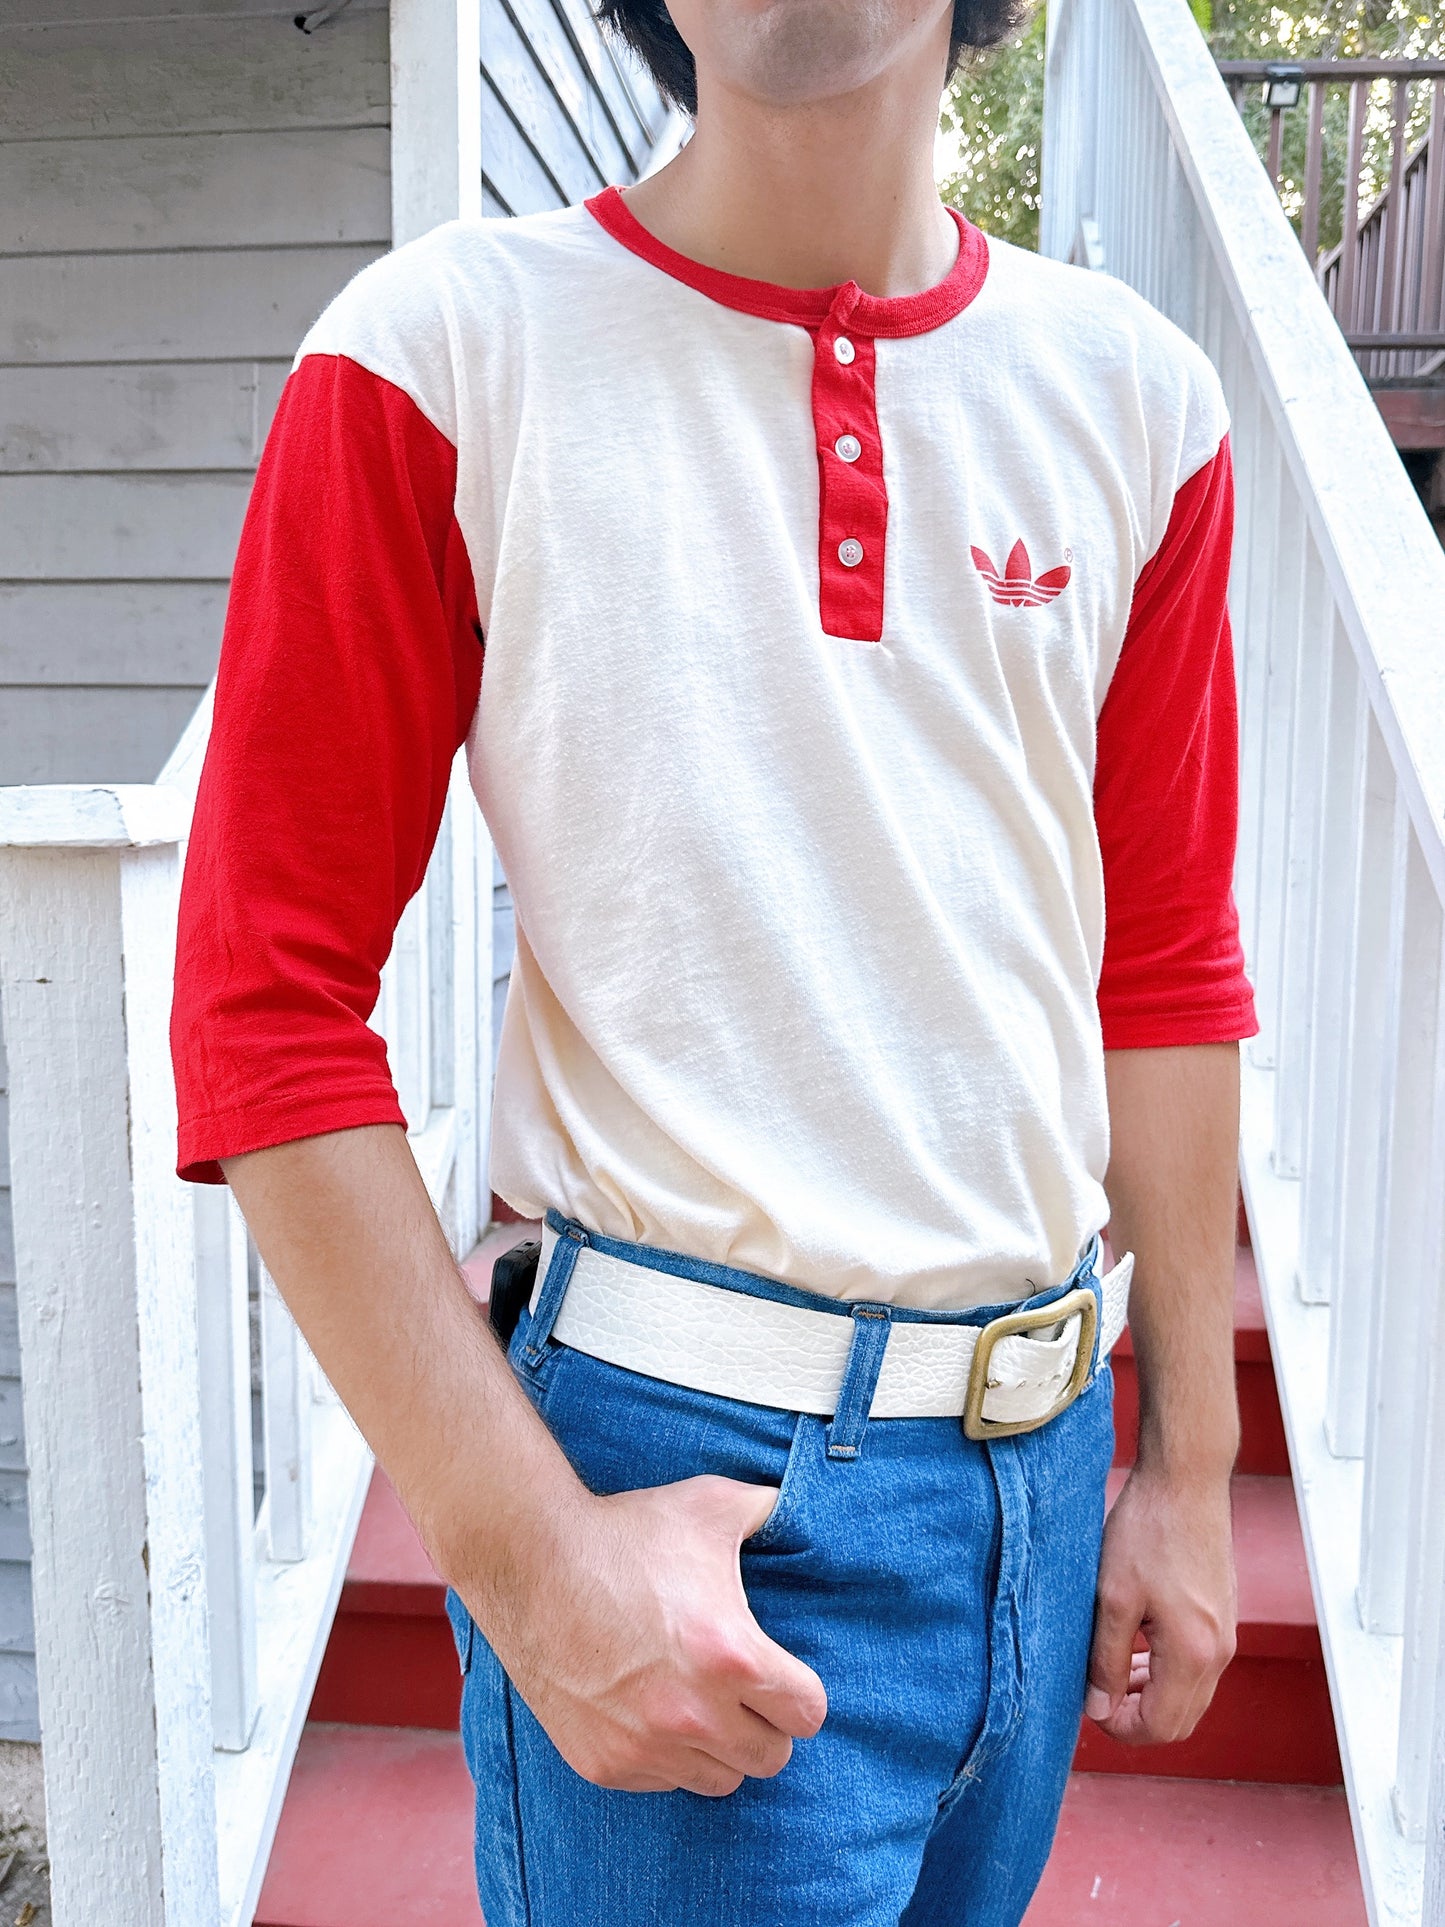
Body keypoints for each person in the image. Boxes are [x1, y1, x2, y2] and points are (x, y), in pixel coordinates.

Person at [170, 2, 1256, 1921]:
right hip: (685, 1500)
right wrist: (526, 1564)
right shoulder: (438, 356)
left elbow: (1160, 968)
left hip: (1040, 1474)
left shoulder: (1140, 402)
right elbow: (263, 1006)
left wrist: (1182, 1461)